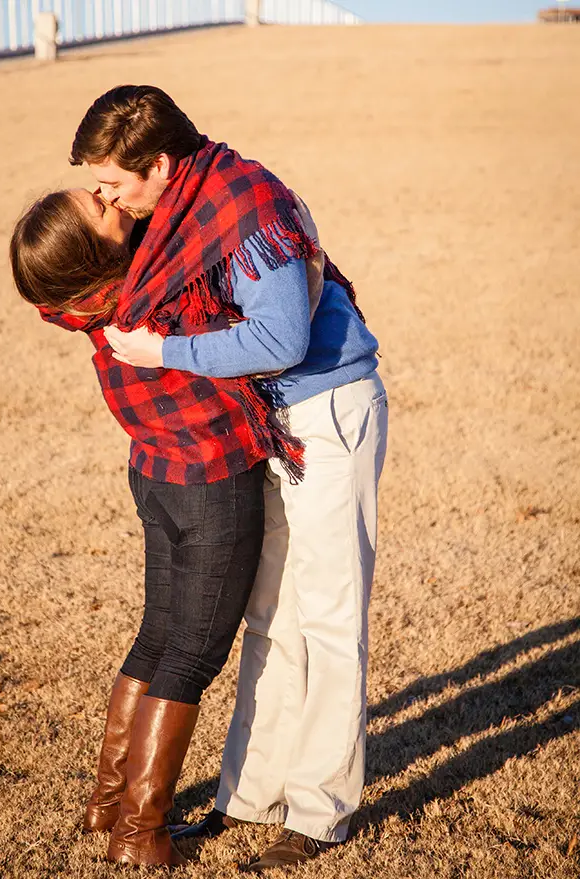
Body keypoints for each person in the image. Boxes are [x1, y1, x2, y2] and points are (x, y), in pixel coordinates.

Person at [78, 86, 389, 871]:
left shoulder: (243, 205)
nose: (109, 199)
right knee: (268, 613)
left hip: (324, 409)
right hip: (267, 424)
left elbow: (281, 337)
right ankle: (247, 796)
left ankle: (320, 810)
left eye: (114, 184)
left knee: (327, 615)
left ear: (160, 163)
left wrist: (163, 353)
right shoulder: (182, 207)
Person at [9, 103, 326, 867]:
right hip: (209, 480)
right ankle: (141, 833)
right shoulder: (148, 300)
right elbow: (254, 329)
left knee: (157, 635)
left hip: (154, 475)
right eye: (98, 205)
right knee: (191, 652)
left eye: (105, 188)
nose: (111, 199)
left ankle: (107, 802)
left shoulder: (83, 301)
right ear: (97, 249)